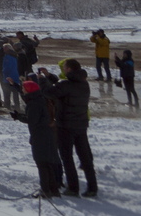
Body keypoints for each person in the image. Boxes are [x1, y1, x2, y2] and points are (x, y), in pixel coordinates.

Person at [50, 58, 99, 197]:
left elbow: (50, 93)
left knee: (67, 157)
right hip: (81, 124)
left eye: (64, 67)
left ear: (69, 69)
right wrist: (50, 77)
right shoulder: (84, 83)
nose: (63, 69)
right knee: (85, 157)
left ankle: (73, 188)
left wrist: (41, 80)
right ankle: (92, 187)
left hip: (65, 125)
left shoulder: (66, 84)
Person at [17, 74, 64, 198]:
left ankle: (45, 190)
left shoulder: (33, 103)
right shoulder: (38, 99)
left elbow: (32, 121)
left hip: (40, 137)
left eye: (23, 88)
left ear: (28, 90)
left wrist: (20, 117)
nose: (22, 90)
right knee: (47, 163)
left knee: (42, 164)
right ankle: (53, 189)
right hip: (45, 135)